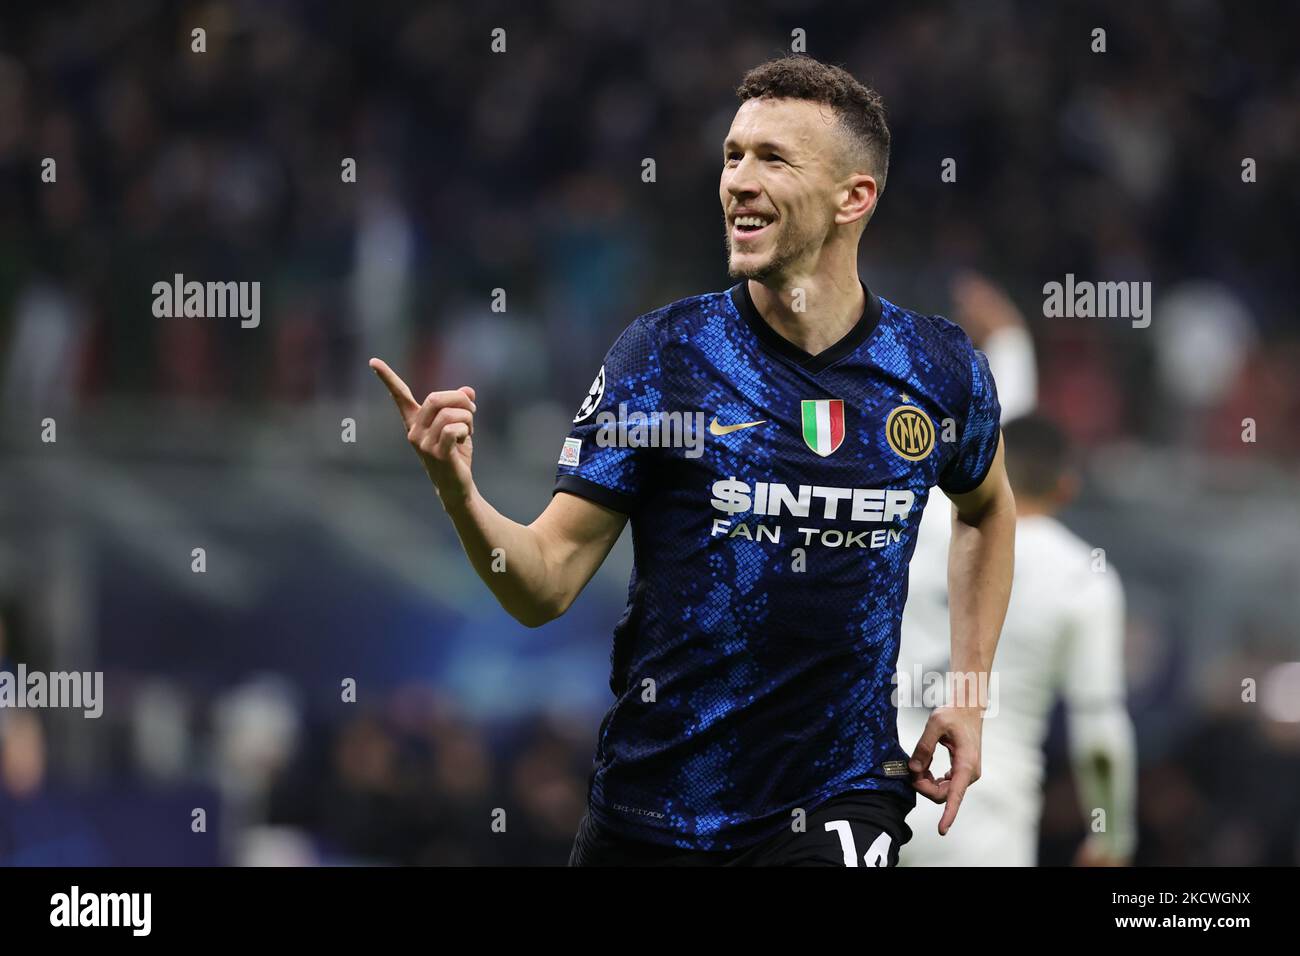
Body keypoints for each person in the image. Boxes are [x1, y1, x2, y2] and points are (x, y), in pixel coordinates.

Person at [370, 55, 1016, 866]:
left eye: (773, 158)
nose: (739, 180)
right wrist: (457, 489)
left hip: (838, 798)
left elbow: (988, 509)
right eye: (733, 155)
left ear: (855, 198)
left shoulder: (935, 370)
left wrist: (967, 694)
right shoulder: (664, 358)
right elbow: (545, 582)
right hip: (653, 813)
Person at [898, 414, 1137, 866]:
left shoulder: (917, 521)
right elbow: (1100, 731)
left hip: (876, 784)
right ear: (1066, 488)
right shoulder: (1083, 576)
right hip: (985, 815)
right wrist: (1113, 837)